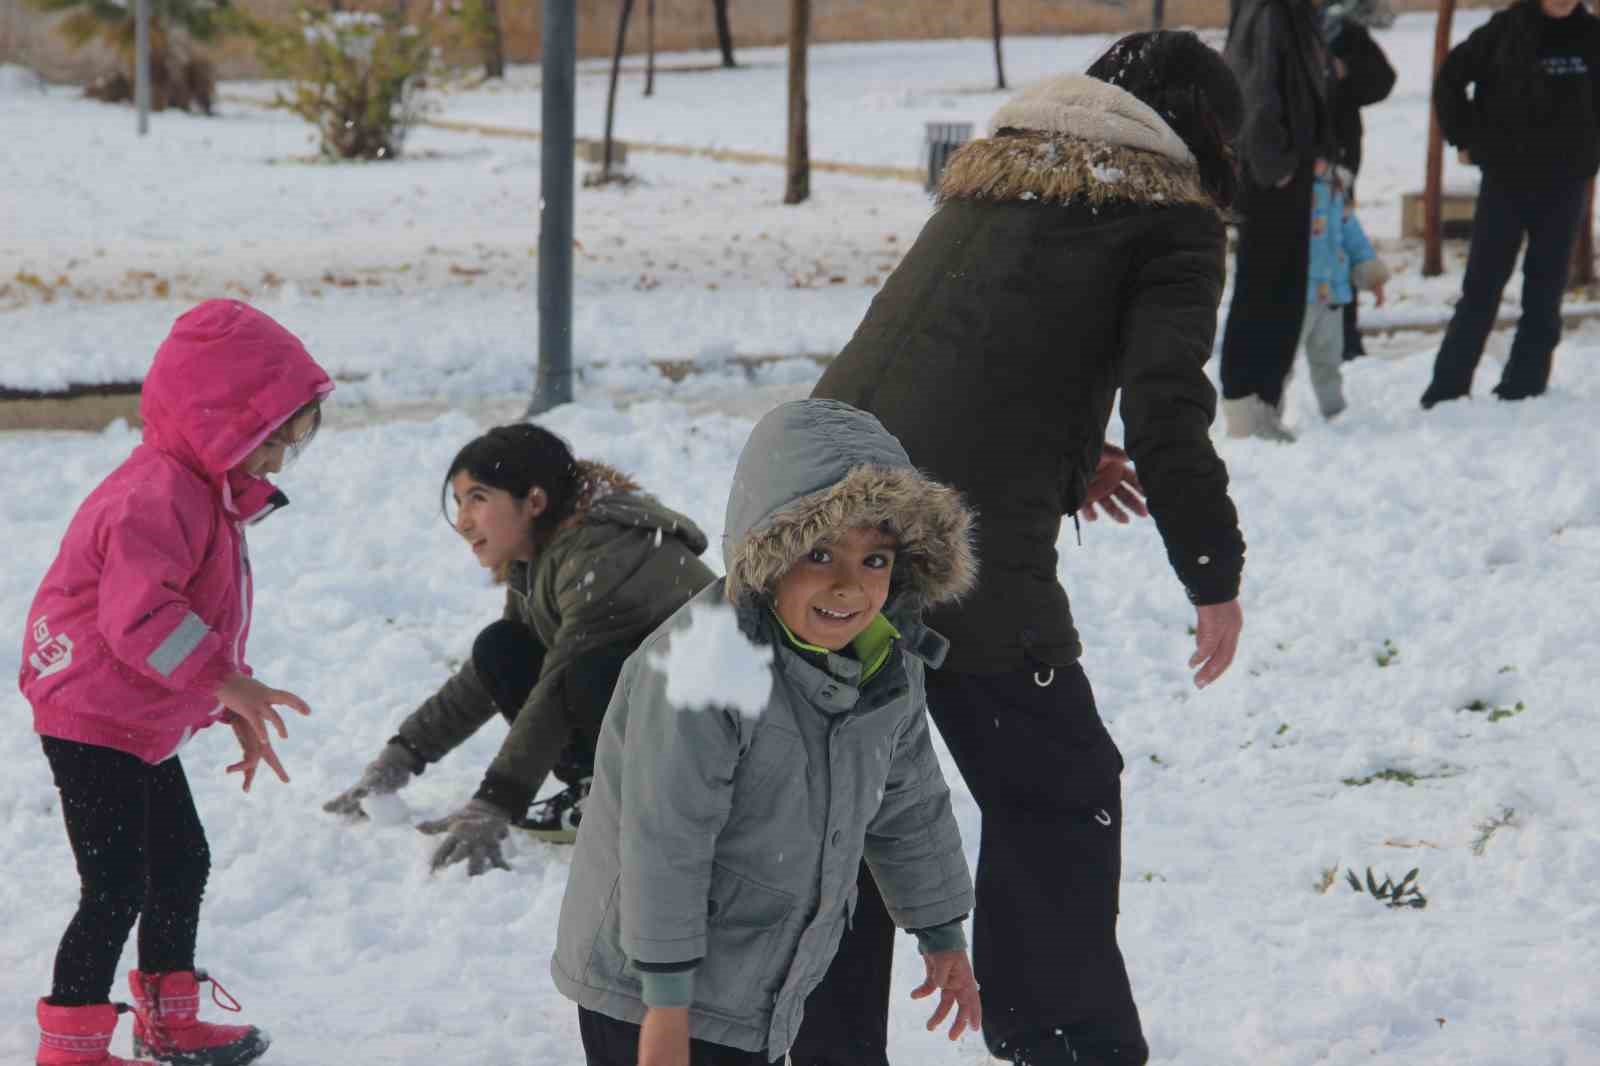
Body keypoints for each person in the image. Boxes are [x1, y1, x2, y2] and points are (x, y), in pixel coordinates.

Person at [801, 31, 1249, 1066]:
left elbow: (969, 348)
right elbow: (1168, 406)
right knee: (1057, 782)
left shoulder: (997, 178)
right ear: (1208, 131)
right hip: (943, 542)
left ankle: (811, 1047)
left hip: (810, 511)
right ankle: (1066, 1039)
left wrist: (1063, 455)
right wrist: (1211, 572)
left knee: (847, 794)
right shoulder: (1165, 217)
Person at [551, 399, 983, 1066]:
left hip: (763, 979)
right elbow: (666, 842)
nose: (850, 586)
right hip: (644, 987)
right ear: (768, 553)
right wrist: (664, 1007)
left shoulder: (882, 660)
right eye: (820, 553)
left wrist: (941, 932)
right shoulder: (702, 664)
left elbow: (911, 800)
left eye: (875, 560)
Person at [20, 299, 332, 1066]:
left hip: (137, 716)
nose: (276, 461)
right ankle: (71, 1044)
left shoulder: (203, 493)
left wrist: (233, 699)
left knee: (181, 861)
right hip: (90, 716)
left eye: (292, 439)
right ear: (218, 421)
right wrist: (225, 683)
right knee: (116, 884)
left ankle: (167, 1016)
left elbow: (203, 617)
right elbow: (143, 619)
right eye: (269, 438)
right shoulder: (155, 496)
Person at [323, 422, 715, 869]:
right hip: (661, 721)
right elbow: (487, 678)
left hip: (713, 741)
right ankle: (604, 786)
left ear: (533, 501)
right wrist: (399, 758)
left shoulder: (603, 555)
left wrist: (494, 803)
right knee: (503, 648)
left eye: (478, 498)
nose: (463, 521)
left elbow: (556, 687)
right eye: (458, 502)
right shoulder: (543, 555)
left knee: (587, 670)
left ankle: (642, 797)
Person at [1420, 0, 1600, 408]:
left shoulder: (1591, 37)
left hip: (1566, 183)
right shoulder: (1504, 30)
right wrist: (1463, 137)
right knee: (1482, 287)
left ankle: (1525, 385)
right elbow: (1450, 78)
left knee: (1546, 289)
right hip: (1507, 181)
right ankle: (1448, 389)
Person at [1221, 0, 1337, 440]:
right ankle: (1247, 405)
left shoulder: (1293, 10)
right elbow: (1257, 88)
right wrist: (1277, 164)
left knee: (1283, 284)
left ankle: (1261, 400)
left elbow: (1303, 88)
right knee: (1266, 284)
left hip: (1287, 164)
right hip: (1272, 168)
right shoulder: (1270, 10)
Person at [1319, 0, 1397, 361]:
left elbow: (1382, 80)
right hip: (1282, 159)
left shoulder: (1343, 30)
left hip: (1338, 160)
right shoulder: (1272, 22)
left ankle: (1345, 342)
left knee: (1337, 244)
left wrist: (1345, 71)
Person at [1292, 160, 1390, 418]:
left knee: (1328, 360)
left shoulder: (1336, 187)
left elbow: (1353, 237)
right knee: (1282, 360)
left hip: (1332, 293)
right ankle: (1268, 412)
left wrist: (1373, 278)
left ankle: (1334, 411)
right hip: (1297, 295)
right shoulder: (1290, 185)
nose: (1320, 163)